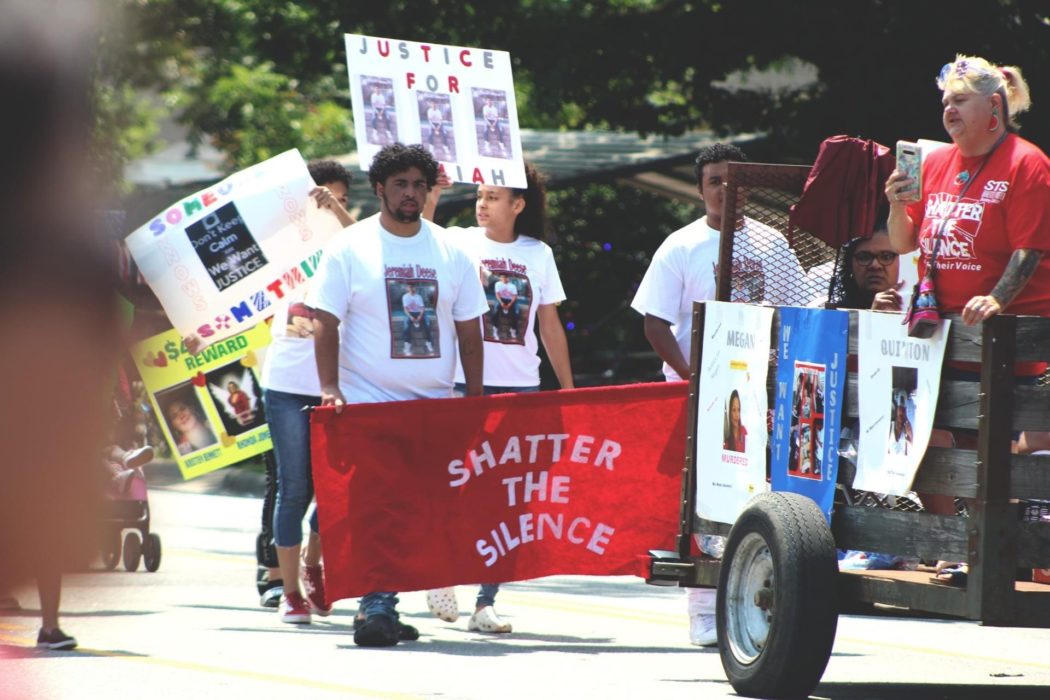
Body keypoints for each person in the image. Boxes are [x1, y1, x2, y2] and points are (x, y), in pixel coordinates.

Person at [310, 143, 487, 647]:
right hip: (367, 404)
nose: (411, 194)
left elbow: (470, 333)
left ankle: (386, 599)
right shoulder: (351, 247)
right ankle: (376, 605)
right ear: (381, 189)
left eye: (419, 185)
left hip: (432, 406)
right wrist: (330, 387)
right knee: (378, 508)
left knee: (417, 510)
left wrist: (473, 399)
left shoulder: (451, 251)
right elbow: (325, 322)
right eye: (401, 184)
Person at [631, 142, 805, 646]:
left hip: (759, 394)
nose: (724, 191)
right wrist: (693, 379)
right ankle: (704, 610)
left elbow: (798, 309)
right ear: (700, 187)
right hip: (699, 395)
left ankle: (757, 598)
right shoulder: (680, 246)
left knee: (761, 496)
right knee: (706, 501)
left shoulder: (773, 245)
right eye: (714, 181)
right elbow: (655, 324)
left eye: (734, 181)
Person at [885, 55, 1050, 582]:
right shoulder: (933, 164)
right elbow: (903, 241)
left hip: (1010, 333)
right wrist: (895, 204)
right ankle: (949, 541)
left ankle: (998, 546)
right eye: (944, 103)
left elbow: (1029, 249)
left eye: (959, 101)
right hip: (944, 330)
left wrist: (998, 299)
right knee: (923, 431)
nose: (948, 111)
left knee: (992, 442)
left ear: (994, 108)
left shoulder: (1027, 163)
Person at [425, 162, 575, 634]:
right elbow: (415, 235)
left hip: (521, 387)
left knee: (507, 498)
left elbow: (549, 323)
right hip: (461, 383)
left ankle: (485, 603)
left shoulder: (539, 254)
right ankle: (441, 573)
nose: (483, 204)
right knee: (456, 486)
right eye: (479, 196)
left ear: (518, 205)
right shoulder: (458, 241)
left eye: (493, 196)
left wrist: (568, 390)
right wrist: (430, 192)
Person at [400, 282, 434, 354]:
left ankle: (428, 342)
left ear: (415, 288)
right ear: (407, 288)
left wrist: (420, 316)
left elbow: (422, 308)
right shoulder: (405, 297)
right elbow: (405, 309)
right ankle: (407, 345)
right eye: (410, 287)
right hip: (410, 313)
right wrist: (411, 317)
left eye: (413, 287)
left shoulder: (418, 296)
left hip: (419, 313)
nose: (412, 289)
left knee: (427, 323)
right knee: (406, 326)